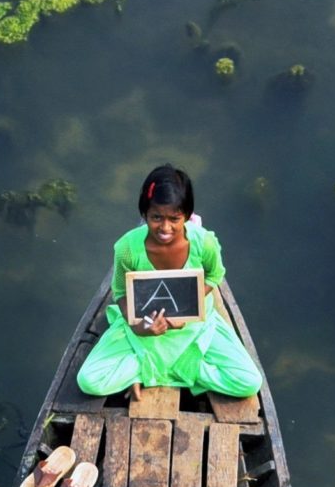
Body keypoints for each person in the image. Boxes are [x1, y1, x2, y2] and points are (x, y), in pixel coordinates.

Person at [76, 163, 265, 401]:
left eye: (175, 219)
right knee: (89, 381)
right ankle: (173, 371)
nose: (165, 228)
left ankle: (178, 371)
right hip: (145, 327)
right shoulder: (127, 248)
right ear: (144, 214)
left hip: (193, 326)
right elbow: (121, 291)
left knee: (250, 382)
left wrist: (187, 308)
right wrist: (139, 327)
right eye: (156, 217)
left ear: (186, 215)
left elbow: (215, 275)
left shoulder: (204, 243)